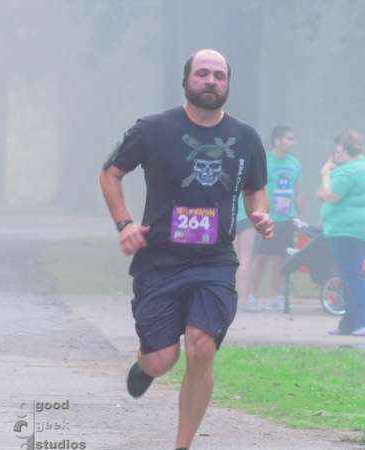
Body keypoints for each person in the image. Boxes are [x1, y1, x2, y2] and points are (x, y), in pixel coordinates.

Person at [99, 49, 273, 450]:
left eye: (219, 76)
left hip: (214, 261)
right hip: (158, 260)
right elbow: (110, 173)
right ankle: (145, 362)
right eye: (202, 74)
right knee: (163, 360)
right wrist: (124, 224)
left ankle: (182, 445)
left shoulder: (245, 138)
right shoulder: (153, 129)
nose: (210, 81)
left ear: (227, 84)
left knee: (201, 346)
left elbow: (255, 188)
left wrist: (259, 215)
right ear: (186, 80)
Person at [318, 130, 365, 336]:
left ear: (344, 150)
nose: (335, 153)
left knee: (352, 275)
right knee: (348, 275)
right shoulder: (363, 166)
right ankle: (349, 323)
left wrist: (326, 173)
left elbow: (330, 195)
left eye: (338, 149)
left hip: (348, 229)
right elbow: (322, 193)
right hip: (357, 227)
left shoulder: (349, 171)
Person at [250, 126, 303, 311]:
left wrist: (298, 218)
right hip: (268, 217)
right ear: (277, 141)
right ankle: (251, 296)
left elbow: (298, 193)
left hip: (287, 218)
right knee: (261, 257)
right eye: (289, 139)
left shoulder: (295, 163)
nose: (292, 142)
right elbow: (256, 188)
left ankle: (275, 297)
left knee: (280, 258)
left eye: (293, 139)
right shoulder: (264, 160)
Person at [233, 197, 259, 310]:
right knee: (245, 259)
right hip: (246, 216)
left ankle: (235, 297)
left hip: (230, 216)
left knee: (234, 259)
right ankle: (243, 298)